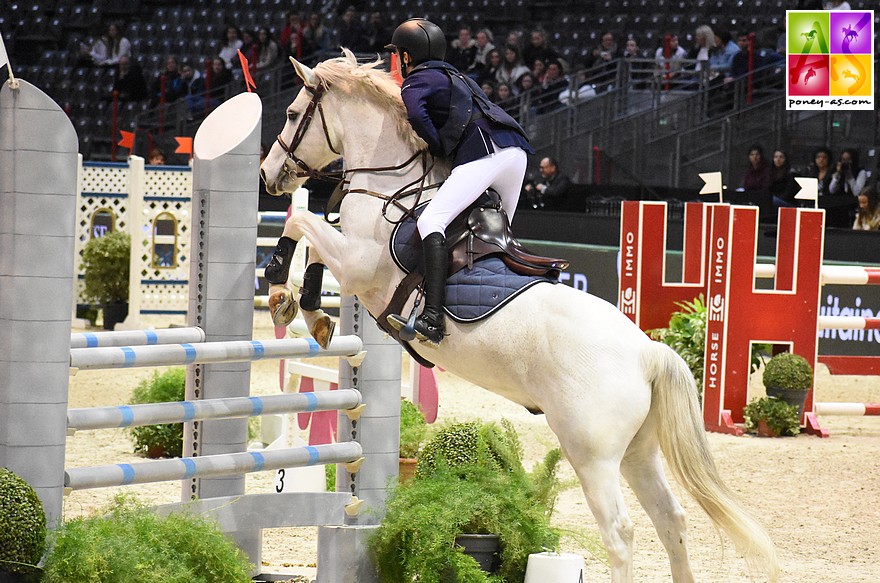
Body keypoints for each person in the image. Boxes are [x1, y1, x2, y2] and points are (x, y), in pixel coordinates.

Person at [384, 18, 534, 345]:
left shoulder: (417, 80)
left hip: (485, 151)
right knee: (499, 231)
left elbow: (417, 115)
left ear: (407, 57)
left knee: (432, 221)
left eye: (399, 56)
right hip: (516, 151)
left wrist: (437, 148)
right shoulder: (457, 74)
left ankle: (433, 318)